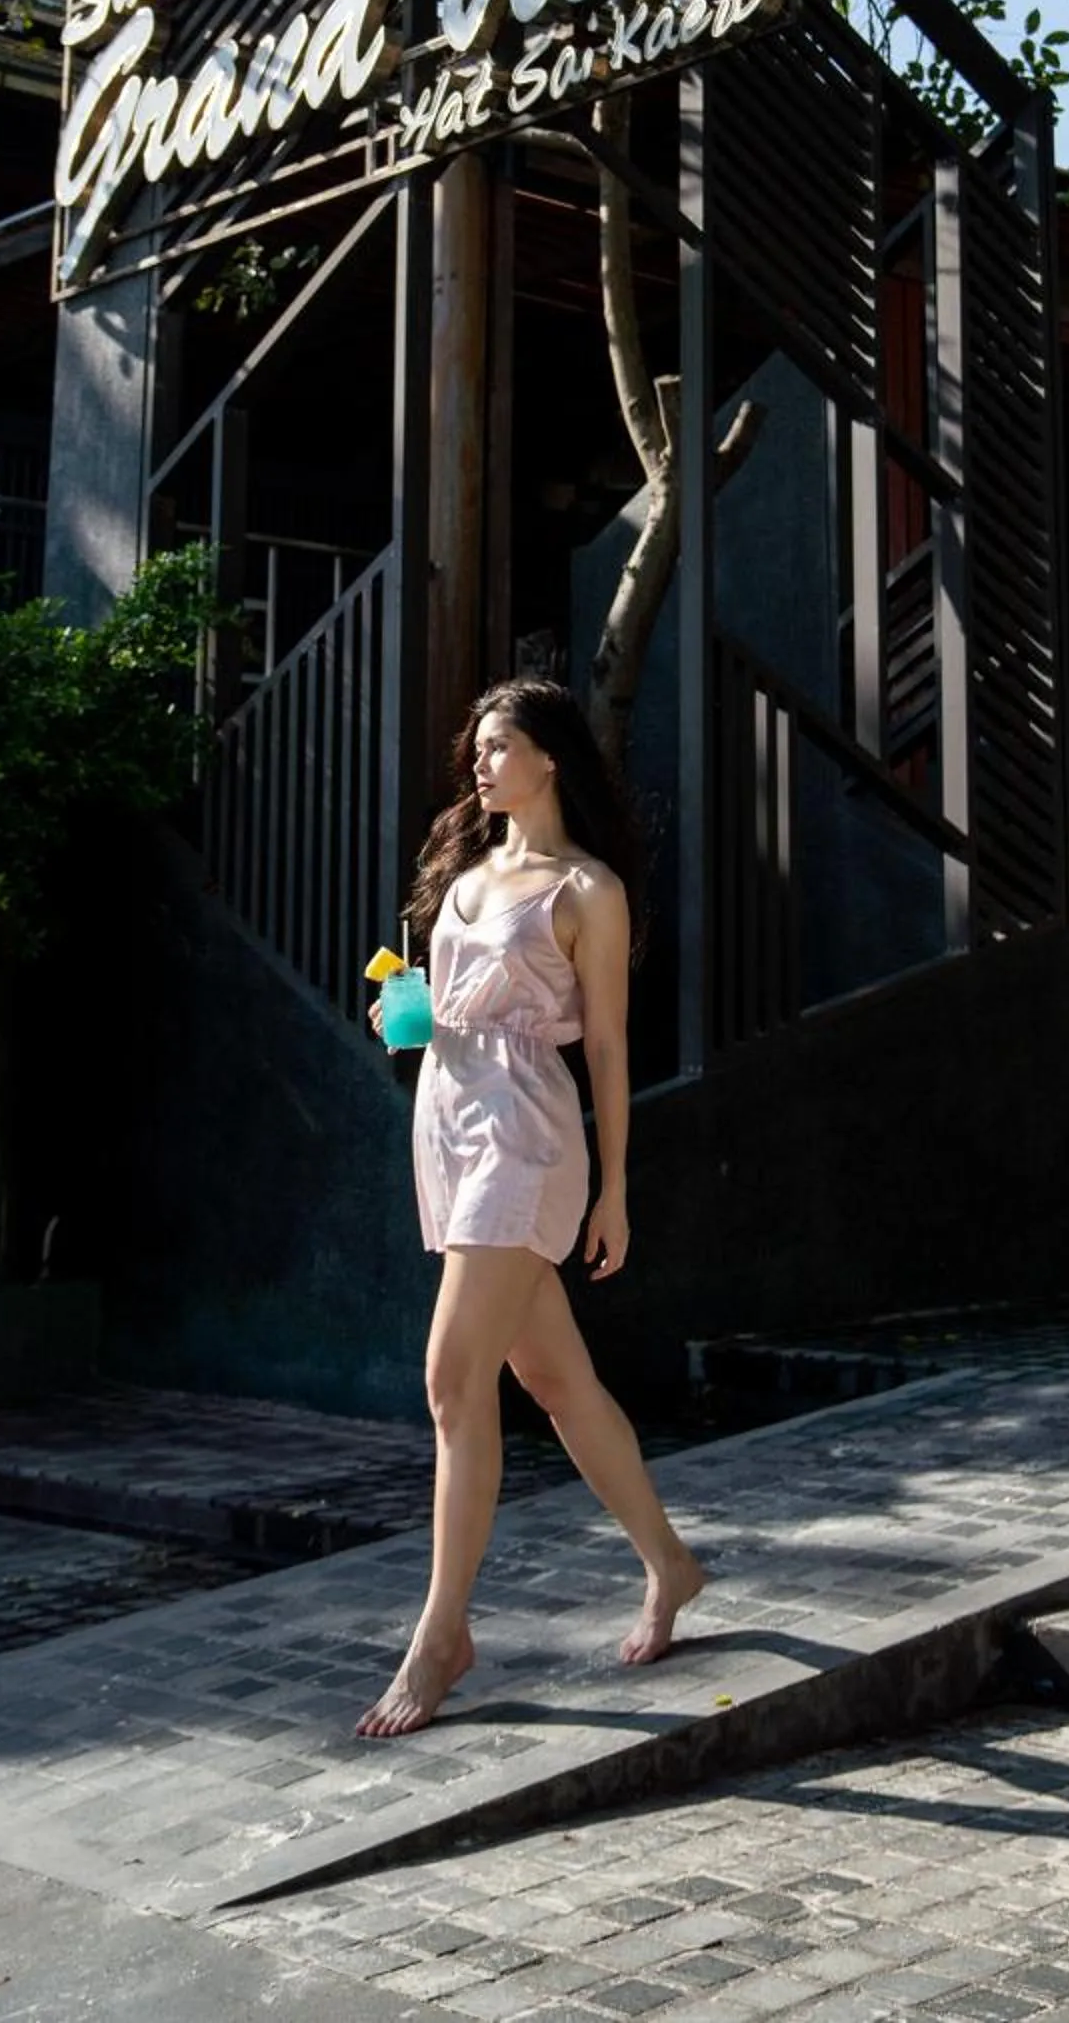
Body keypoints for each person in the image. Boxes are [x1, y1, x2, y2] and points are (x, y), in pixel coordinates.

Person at [357, 676, 706, 1738]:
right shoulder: (464, 874)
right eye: (475, 745)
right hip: (449, 1118)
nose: (478, 761)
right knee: (553, 1377)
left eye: (497, 744)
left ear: (548, 756)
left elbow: (604, 1043)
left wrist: (614, 1188)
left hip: (525, 1132)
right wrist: (400, 1013)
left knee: (450, 1379)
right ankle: (672, 1565)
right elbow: (438, 1002)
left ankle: (442, 1631)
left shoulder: (587, 890)